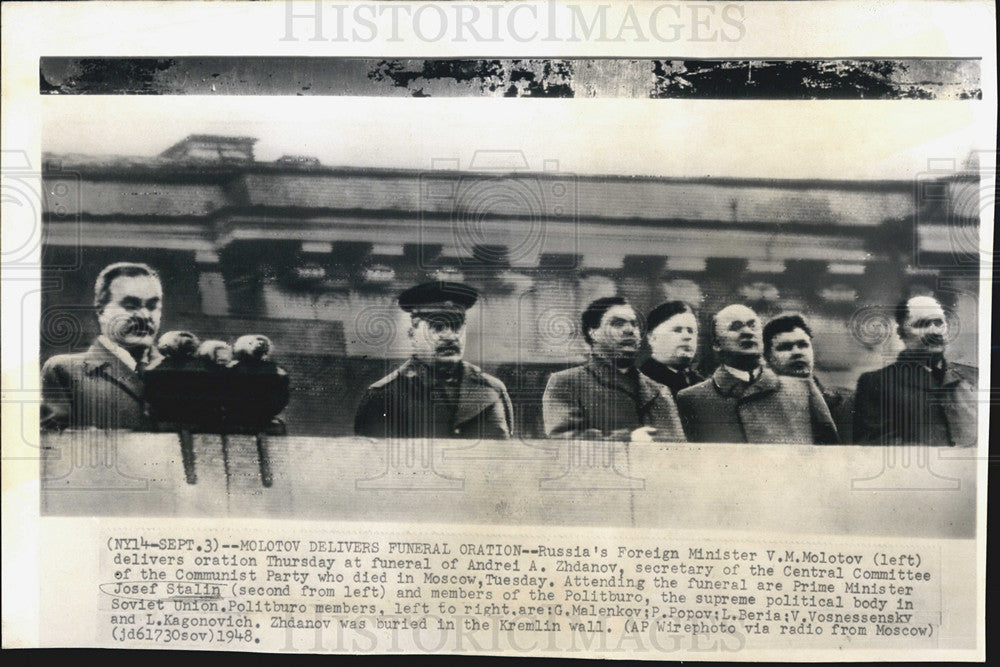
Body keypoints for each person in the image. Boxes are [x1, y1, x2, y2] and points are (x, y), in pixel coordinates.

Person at [354, 281, 514, 439]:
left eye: (456, 326)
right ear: (412, 335)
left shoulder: (493, 389)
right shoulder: (385, 396)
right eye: (438, 327)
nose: (450, 337)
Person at [676, 304, 838, 444]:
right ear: (717, 344)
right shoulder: (693, 399)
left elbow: (832, 454)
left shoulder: (802, 389)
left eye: (753, 325)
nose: (747, 332)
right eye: (735, 326)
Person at [542, 296, 686, 442]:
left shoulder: (658, 391)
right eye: (617, 323)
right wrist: (627, 439)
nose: (630, 330)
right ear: (593, 333)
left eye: (634, 324)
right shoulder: (566, 382)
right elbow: (562, 440)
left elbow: (679, 449)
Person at [41, 262, 163, 430]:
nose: (144, 316)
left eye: (152, 306)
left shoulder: (178, 371)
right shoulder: (64, 370)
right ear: (101, 311)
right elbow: (54, 445)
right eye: (130, 306)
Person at [853, 294, 977, 446]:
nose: (935, 332)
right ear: (901, 333)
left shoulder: (973, 377)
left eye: (939, 323)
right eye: (922, 324)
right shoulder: (877, 383)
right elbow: (874, 447)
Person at [763, 312, 855, 442]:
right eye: (785, 347)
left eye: (803, 345)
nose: (797, 352)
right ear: (767, 358)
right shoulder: (760, 406)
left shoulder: (846, 403)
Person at [640, 301, 704, 397]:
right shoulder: (639, 382)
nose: (687, 337)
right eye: (677, 330)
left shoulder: (704, 385)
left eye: (691, 331)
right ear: (652, 338)